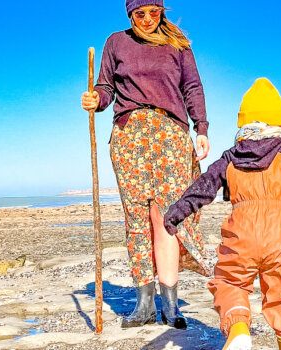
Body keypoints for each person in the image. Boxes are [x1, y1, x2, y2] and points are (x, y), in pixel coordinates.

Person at [164, 78, 281, 350]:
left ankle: (239, 330)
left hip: (241, 235)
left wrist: (176, 213)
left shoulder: (230, 157)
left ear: (243, 123)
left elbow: (203, 187)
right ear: (280, 123)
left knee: (230, 284)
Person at [80, 0, 211, 330]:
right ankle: (143, 305)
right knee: (136, 217)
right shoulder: (116, 42)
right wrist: (96, 100)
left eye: (154, 12)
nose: (148, 19)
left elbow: (192, 87)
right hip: (129, 137)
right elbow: (106, 87)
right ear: (130, 14)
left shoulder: (177, 45)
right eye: (141, 14)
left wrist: (202, 128)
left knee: (167, 216)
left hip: (171, 135)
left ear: (162, 11)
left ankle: (170, 305)